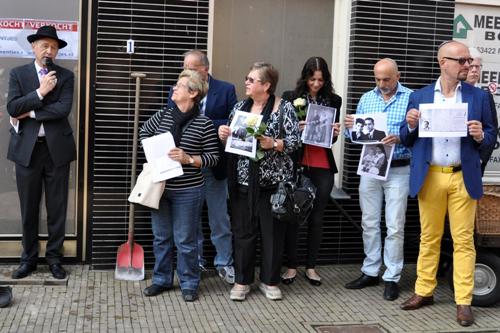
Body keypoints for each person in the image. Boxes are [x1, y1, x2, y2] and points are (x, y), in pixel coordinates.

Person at [399, 41, 496, 327]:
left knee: (464, 241)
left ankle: (464, 301)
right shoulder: (420, 96)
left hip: (462, 175)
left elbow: (491, 135)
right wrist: (411, 124)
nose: (467, 65)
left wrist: (480, 136)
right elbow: (405, 138)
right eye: (461, 60)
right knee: (428, 237)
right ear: (443, 62)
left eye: (468, 61)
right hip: (430, 176)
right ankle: (424, 291)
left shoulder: (478, 97)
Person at [218, 62, 299, 301]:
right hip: (242, 183)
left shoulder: (284, 108)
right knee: (243, 232)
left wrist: (273, 143)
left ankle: (270, 281)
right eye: (247, 78)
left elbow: (295, 141)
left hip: (273, 185)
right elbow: (233, 143)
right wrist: (224, 136)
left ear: (266, 85)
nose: (247, 83)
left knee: (272, 234)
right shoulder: (239, 108)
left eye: (252, 80)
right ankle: (242, 281)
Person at [140, 70, 220, 302]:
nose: (174, 88)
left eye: (180, 85)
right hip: (161, 188)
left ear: (193, 93)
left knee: (185, 240)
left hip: (189, 191)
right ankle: (161, 280)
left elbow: (213, 157)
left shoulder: (204, 124)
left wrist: (189, 159)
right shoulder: (163, 115)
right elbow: (143, 132)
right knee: (161, 238)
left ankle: (189, 283)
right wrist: (153, 151)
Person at [7, 25, 76, 280]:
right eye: (44, 45)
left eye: (54, 46)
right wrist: (40, 92)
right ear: (34, 48)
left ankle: (55, 259)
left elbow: (63, 109)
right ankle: (29, 259)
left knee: (57, 207)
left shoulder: (66, 77)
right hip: (27, 151)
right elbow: (13, 107)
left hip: (56, 149)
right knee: (29, 208)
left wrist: (31, 111)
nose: (49, 50)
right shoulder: (18, 74)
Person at [343, 58, 412, 301]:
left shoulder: (411, 98)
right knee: (369, 221)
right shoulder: (366, 98)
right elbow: (355, 137)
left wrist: (401, 138)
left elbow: (420, 133)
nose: (382, 84)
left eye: (387, 79)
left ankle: (392, 277)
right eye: (378, 79)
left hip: (399, 168)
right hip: (371, 164)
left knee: (395, 225)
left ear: (398, 76)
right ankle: (371, 270)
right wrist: (350, 127)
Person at [168, 50, 237, 283]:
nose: (186, 71)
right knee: (190, 219)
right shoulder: (176, 89)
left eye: (192, 67)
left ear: (205, 69)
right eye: (184, 66)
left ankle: (225, 262)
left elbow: (233, 120)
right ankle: (194, 262)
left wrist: (213, 126)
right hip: (186, 165)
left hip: (214, 164)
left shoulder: (226, 89)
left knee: (219, 217)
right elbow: (173, 117)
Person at [281, 56, 341, 286]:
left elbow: (332, 139)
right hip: (298, 163)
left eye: (320, 79)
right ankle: (292, 267)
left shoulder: (334, 100)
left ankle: (312, 267)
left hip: (323, 164)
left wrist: (335, 132)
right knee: (294, 216)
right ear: (305, 77)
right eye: (312, 79)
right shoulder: (290, 97)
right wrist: (296, 127)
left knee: (317, 217)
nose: (316, 84)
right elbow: (284, 131)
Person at [465, 47, 498, 175]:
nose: (474, 70)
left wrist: (480, 160)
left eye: (477, 67)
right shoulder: (449, 93)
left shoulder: (485, 96)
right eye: (471, 66)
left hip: (473, 166)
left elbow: (492, 130)